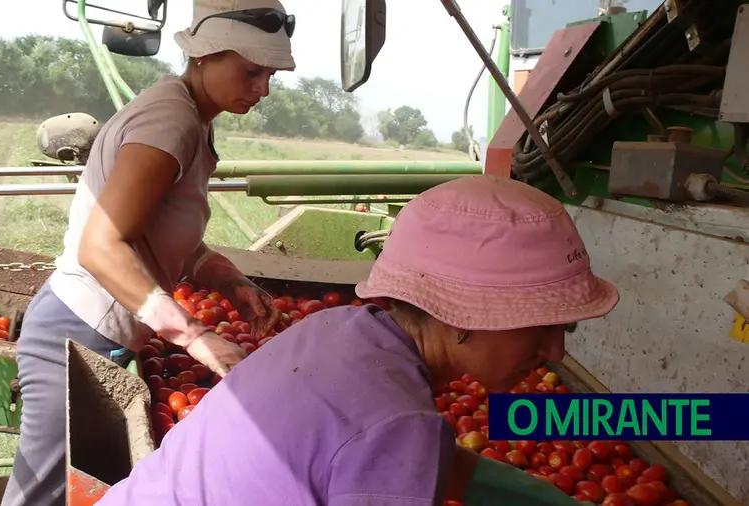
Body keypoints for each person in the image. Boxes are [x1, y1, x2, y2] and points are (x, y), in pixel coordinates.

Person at [96, 175, 621, 506]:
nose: (555, 352)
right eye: (542, 325)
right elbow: (389, 441)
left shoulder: (335, 330)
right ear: (464, 316)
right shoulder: (396, 423)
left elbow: (418, 461)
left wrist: (530, 493)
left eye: (565, 328)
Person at [0, 1, 296, 505]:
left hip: (94, 331)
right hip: (72, 336)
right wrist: (196, 337)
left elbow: (163, 233)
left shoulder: (192, 116)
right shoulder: (171, 122)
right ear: (205, 55)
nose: (262, 88)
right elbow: (101, 246)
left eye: (269, 74)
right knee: (40, 498)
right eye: (250, 71)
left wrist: (230, 281)